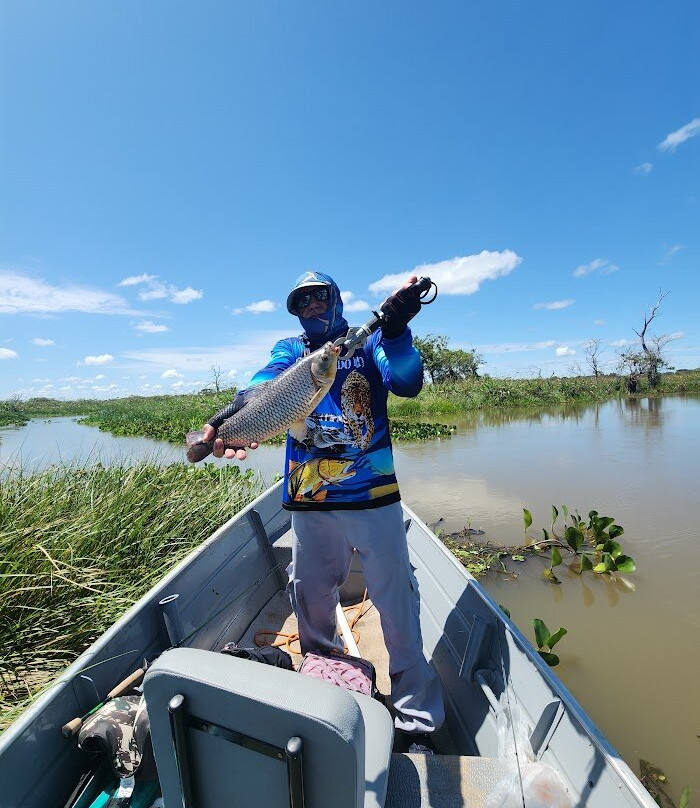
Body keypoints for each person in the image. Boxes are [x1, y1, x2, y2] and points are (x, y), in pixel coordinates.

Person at [201, 270, 444, 752]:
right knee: (311, 596)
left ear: (335, 299)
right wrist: (227, 420)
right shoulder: (291, 352)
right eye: (301, 302)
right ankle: (324, 689)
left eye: (319, 297)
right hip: (311, 500)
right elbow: (261, 385)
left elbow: (408, 381)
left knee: (396, 600)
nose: (311, 307)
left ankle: (416, 719)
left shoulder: (367, 343)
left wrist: (395, 331)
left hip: (373, 497)